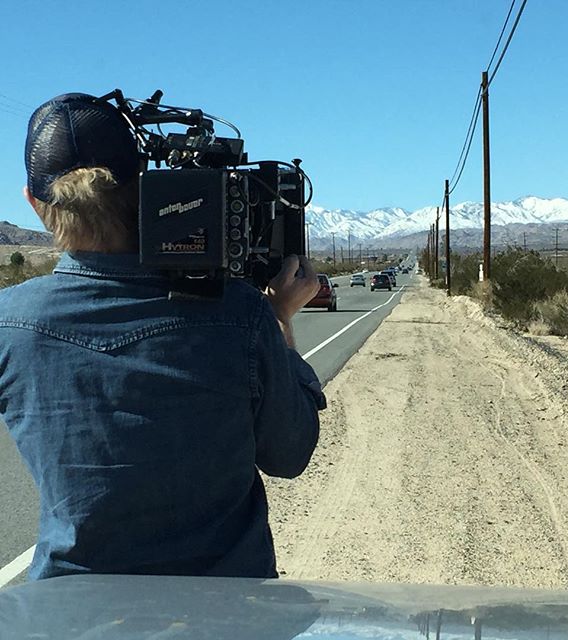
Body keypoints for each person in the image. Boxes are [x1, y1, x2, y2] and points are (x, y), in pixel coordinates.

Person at [0, 93, 326, 580]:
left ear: (33, 201)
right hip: (227, 610)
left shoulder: (9, 323)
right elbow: (290, 453)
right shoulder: (241, 315)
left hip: (69, 613)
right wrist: (279, 321)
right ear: (144, 187)